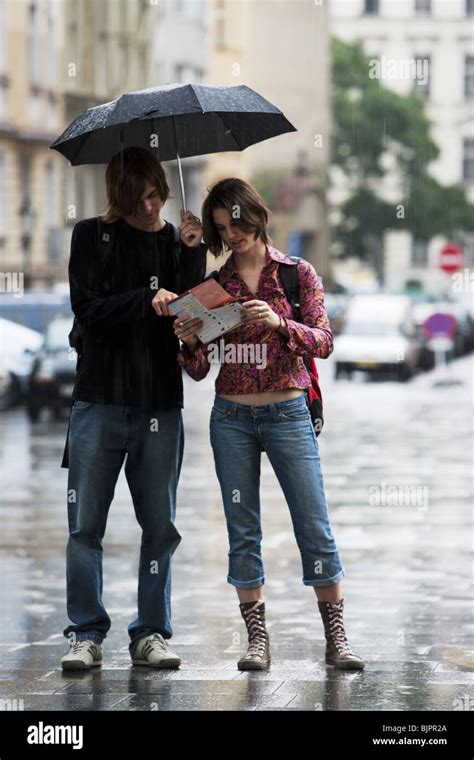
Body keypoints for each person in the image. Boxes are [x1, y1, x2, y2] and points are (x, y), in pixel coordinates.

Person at [175, 178, 364, 671]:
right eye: (221, 228)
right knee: (243, 530)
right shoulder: (216, 287)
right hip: (231, 417)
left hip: (287, 413)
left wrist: (281, 324)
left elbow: (323, 341)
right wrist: (190, 340)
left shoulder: (297, 275)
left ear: (254, 214)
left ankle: (336, 637)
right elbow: (198, 371)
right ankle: (257, 640)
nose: (231, 234)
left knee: (313, 523)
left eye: (236, 222)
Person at [60, 147, 206, 670]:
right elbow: (87, 313)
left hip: (159, 404)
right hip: (98, 400)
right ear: (119, 198)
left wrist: (192, 252)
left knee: (161, 526)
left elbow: (193, 321)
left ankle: (150, 634)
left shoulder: (175, 241)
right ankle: (85, 633)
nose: (150, 207)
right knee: (84, 528)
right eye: (140, 198)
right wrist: (143, 300)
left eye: (156, 195)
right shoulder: (91, 237)